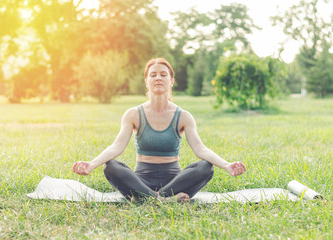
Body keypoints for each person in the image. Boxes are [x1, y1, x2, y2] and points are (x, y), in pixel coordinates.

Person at [73, 58, 246, 202]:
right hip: (140, 180)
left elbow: (201, 149)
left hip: (175, 182)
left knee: (206, 168)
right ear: (147, 81)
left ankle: (147, 199)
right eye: (153, 75)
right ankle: (164, 199)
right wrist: (92, 164)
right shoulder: (133, 114)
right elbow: (116, 147)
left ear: (171, 81)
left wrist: (226, 165)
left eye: (163, 75)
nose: (158, 78)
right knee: (110, 166)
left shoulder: (183, 116)